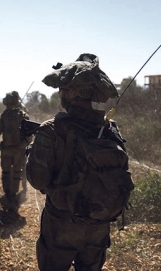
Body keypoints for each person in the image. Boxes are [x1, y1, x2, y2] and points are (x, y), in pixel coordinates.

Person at [26, 53, 132, 271]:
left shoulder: (52, 129)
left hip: (62, 225)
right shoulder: (109, 130)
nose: (60, 93)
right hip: (99, 225)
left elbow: (37, 180)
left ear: (71, 91)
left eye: (63, 88)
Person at [0, 92, 29, 211]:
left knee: (6, 172)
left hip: (6, 150)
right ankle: (14, 194)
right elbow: (29, 134)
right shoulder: (23, 115)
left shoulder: (4, 115)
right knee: (17, 172)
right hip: (19, 150)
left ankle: (7, 193)